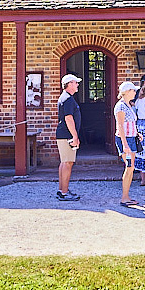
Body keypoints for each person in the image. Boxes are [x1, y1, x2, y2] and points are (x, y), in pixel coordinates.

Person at [55, 73, 82, 201]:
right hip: (67, 135)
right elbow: (68, 118)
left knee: (64, 162)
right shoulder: (68, 99)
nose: (77, 85)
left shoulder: (65, 98)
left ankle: (62, 190)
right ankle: (64, 192)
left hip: (63, 134)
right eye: (75, 82)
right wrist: (75, 136)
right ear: (69, 84)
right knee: (67, 163)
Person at [114, 81, 141, 207]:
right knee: (129, 166)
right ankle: (124, 197)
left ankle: (126, 196)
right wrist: (125, 145)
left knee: (131, 167)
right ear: (127, 92)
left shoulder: (128, 105)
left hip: (131, 139)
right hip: (126, 140)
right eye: (133, 91)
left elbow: (129, 124)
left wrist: (136, 134)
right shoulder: (120, 106)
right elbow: (120, 126)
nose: (135, 93)